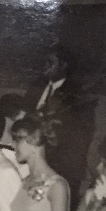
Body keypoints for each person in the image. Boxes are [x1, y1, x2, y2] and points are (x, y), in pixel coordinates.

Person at [24, 45, 96, 198]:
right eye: (44, 62)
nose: (45, 67)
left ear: (64, 65)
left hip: (62, 166)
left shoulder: (77, 95)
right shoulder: (36, 87)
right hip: (35, 160)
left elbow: (81, 136)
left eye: (51, 63)